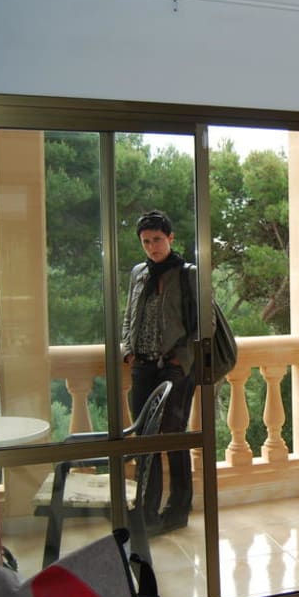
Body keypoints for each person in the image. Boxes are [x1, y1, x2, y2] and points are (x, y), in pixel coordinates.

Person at [121, 210, 196, 532]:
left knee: (174, 438)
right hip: (143, 366)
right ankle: (146, 511)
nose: (152, 247)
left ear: (170, 238)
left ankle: (178, 510)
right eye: (146, 241)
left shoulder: (187, 274)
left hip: (174, 369)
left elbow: (202, 324)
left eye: (157, 239)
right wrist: (127, 349)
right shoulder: (139, 273)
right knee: (144, 440)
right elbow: (128, 315)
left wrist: (181, 359)